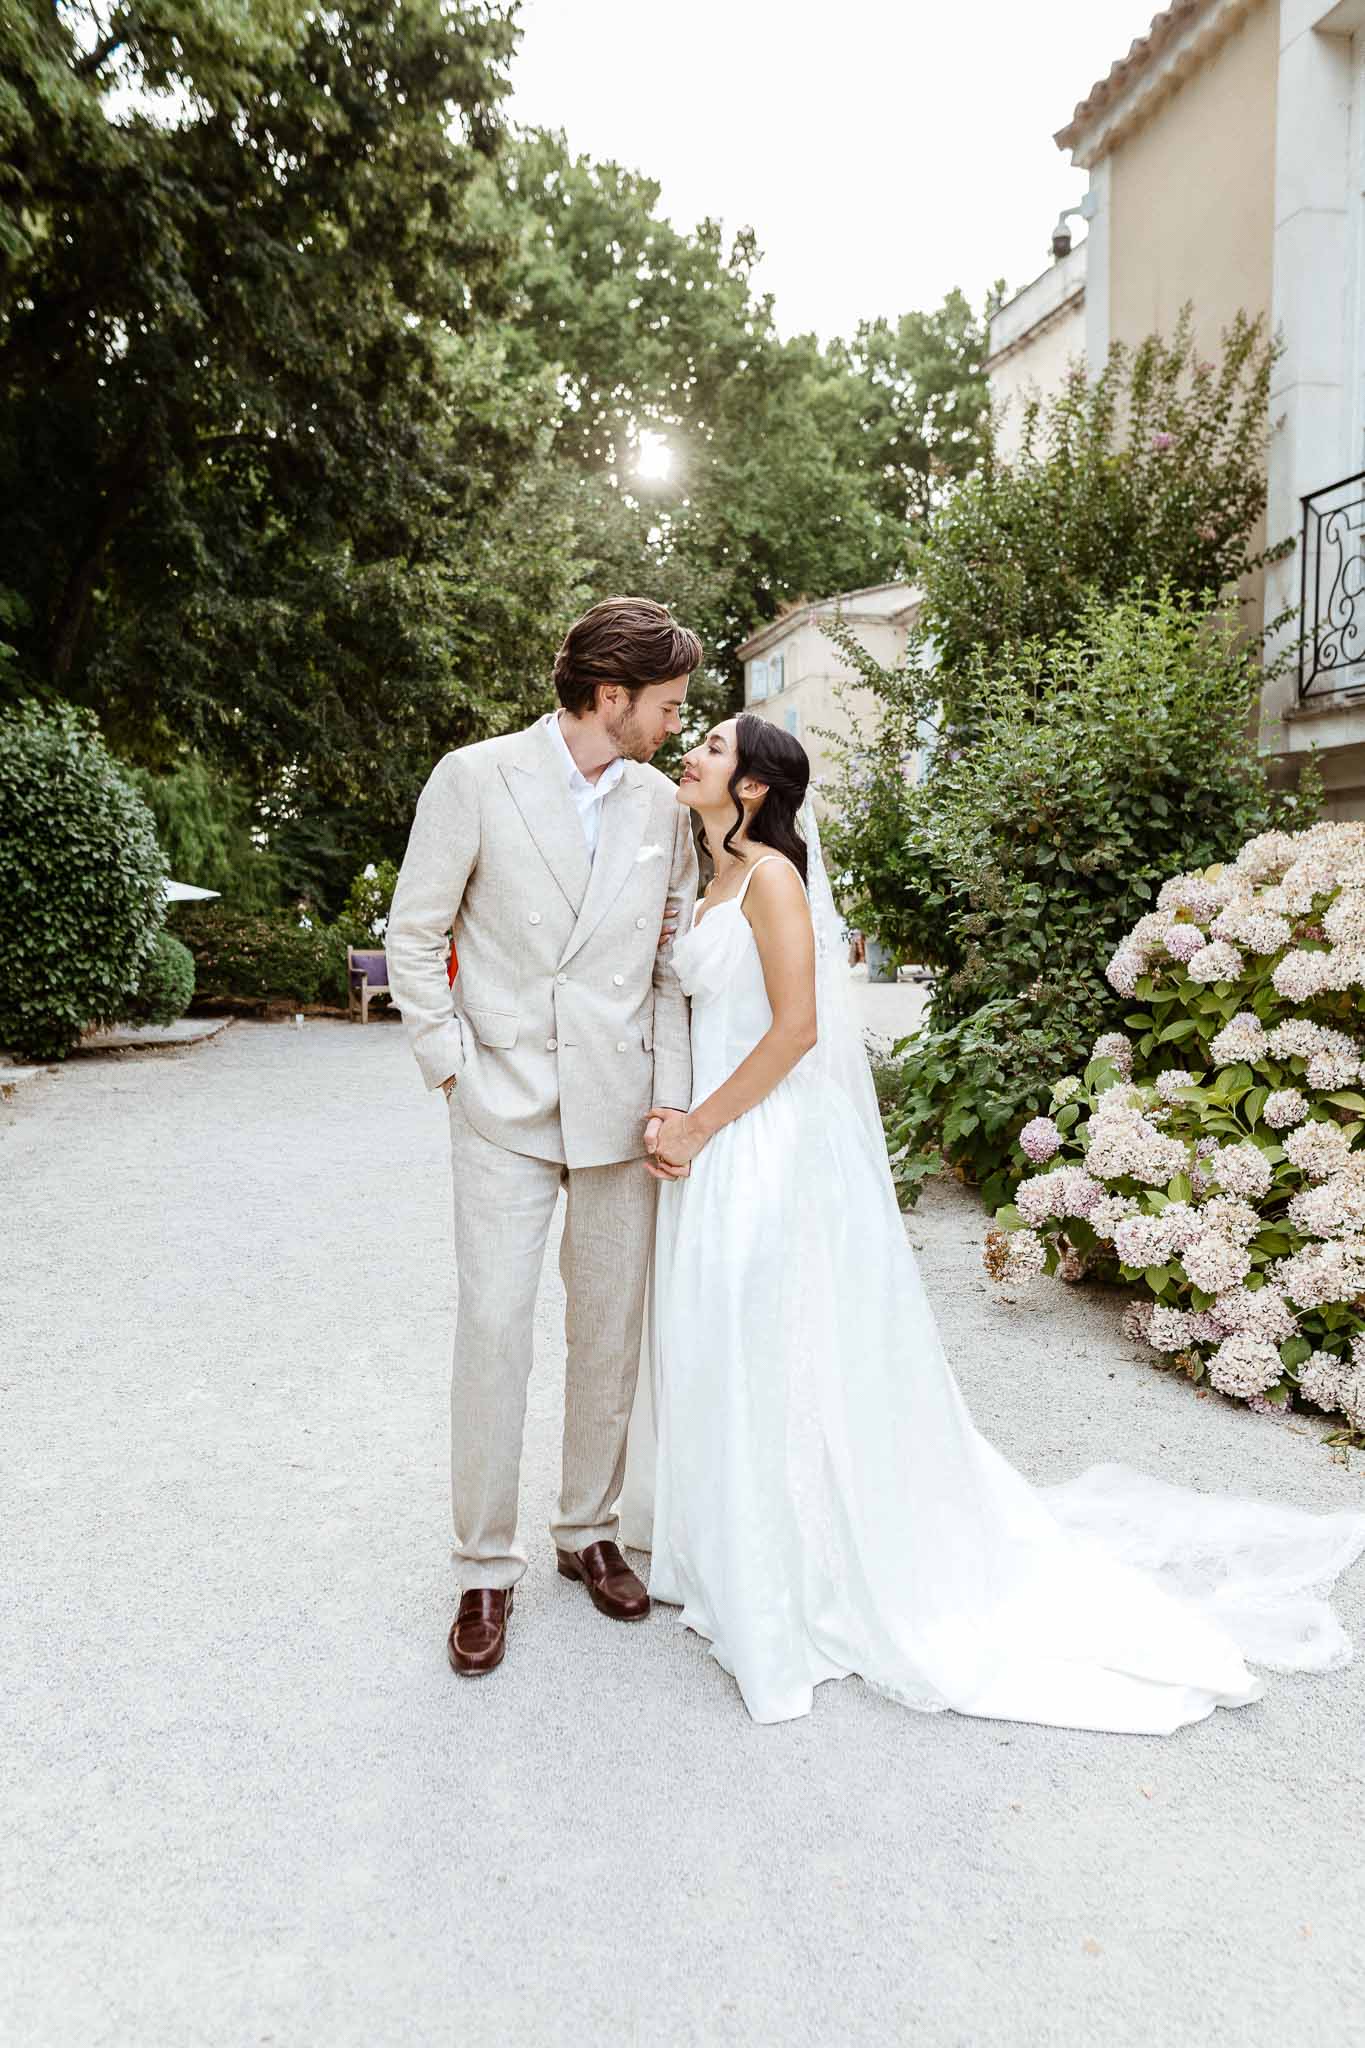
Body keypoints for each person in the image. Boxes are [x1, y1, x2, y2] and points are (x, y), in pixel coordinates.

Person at [620, 714, 1365, 1732]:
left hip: (761, 1140)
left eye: (712, 745)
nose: (692, 753)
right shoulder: (712, 875)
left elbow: (797, 1030)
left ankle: (796, 1562)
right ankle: (731, 1538)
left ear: (752, 786)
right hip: (712, 1136)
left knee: (776, 1338)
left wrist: (700, 1123)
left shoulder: (774, 880)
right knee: (725, 1336)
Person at [386, 596, 700, 1676]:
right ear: (610, 696)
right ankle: (483, 1564)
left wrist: (671, 1098)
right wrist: (448, 1065)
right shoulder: (474, 777)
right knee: (494, 1329)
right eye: (667, 704)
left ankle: (588, 1530)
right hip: (501, 1103)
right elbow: (414, 932)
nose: (677, 722)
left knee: (608, 1331)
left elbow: (668, 967)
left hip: (621, 1106)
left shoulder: (662, 804)